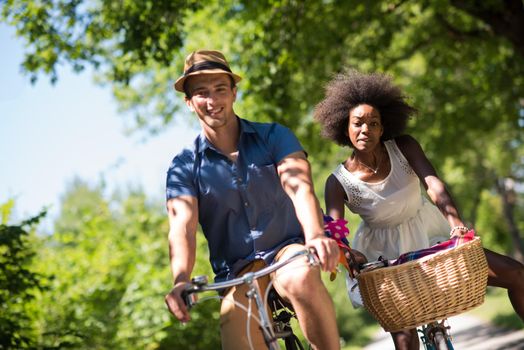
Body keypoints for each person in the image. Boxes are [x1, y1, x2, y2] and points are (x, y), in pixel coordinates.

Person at [314, 69, 524, 350]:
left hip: (432, 235)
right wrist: (347, 254)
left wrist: (456, 224)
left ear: (383, 127)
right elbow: (335, 229)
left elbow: (434, 186)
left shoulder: (404, 146)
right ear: (344, 126)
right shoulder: (337, 182)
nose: (366, 129)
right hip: (385, 257)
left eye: (374, 123)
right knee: (404, 338)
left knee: (516, 273)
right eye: (358, 123)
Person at [163, 49, 341, 350]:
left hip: (287, 252)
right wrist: (181, 279)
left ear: (234, 92)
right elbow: (182, 226)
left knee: (301, 279)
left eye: (220, 89)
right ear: (189, 102)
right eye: (201, 93)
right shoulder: (183, 166)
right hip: (237, 271)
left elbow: (299, 186)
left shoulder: (274, 136)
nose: (212, 101)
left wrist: (315, 235)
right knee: (236, 331)